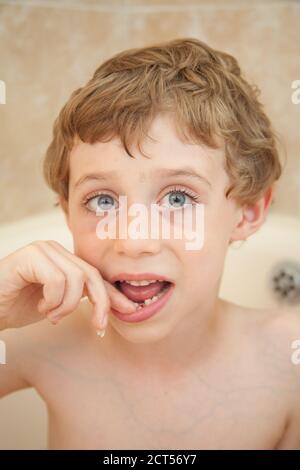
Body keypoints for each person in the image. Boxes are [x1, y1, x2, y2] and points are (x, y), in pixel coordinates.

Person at [0, 37, 299, 450]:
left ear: (247, 211)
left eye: (178, 198)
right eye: (102, 200)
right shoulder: (44, 340)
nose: (133, 240)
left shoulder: (288, 361)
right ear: (66, 212)